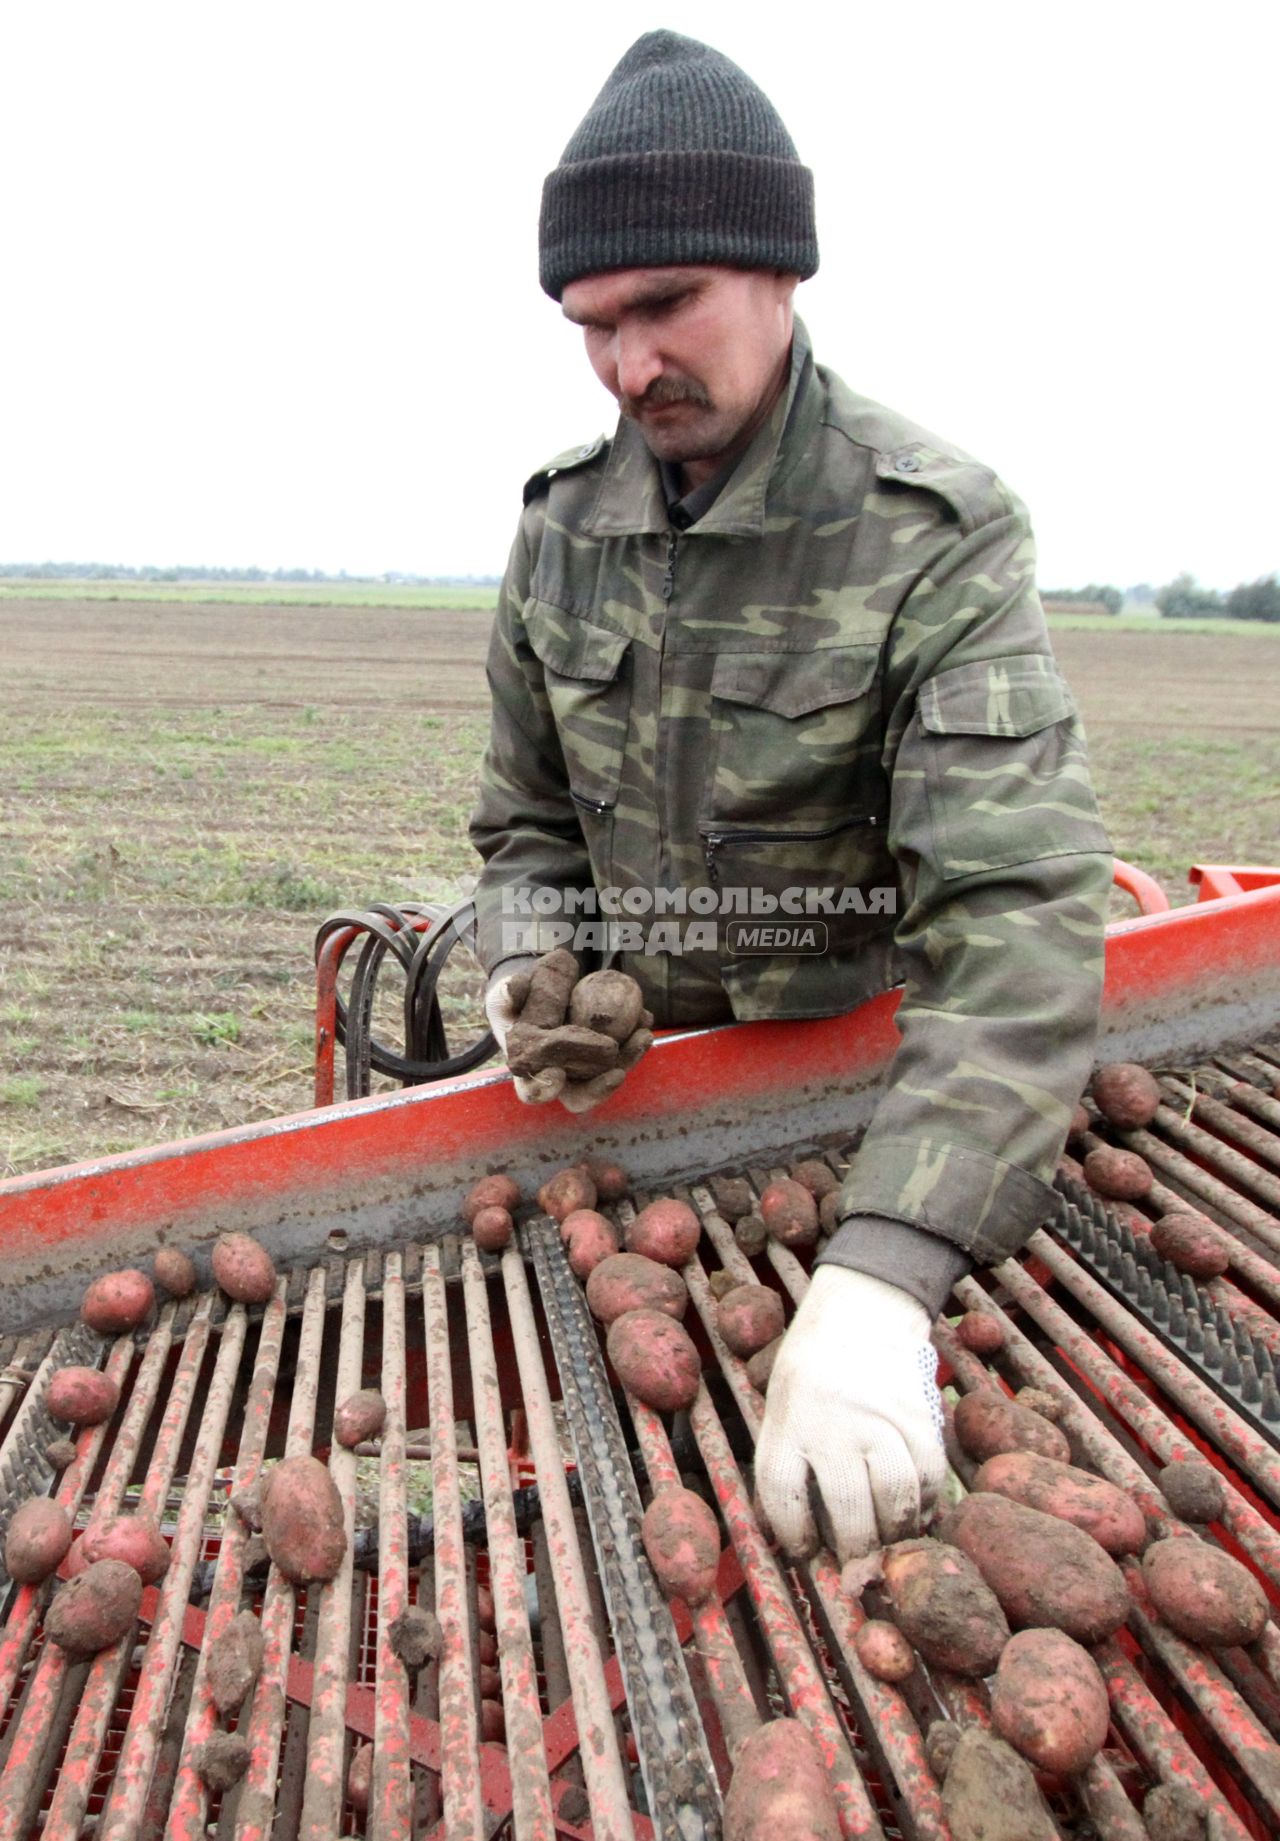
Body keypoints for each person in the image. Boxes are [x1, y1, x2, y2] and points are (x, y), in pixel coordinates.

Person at [469, 29, 1112, 1559]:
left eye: (665, 305)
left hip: (859, 1116)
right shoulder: (562, 530)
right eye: (591, 326)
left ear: (782, 267)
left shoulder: (932, 534)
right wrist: (525, 965)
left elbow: (1017, 916)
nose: (631, 366)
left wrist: (889, 1268)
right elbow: (526, 819)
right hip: (624, 1128)